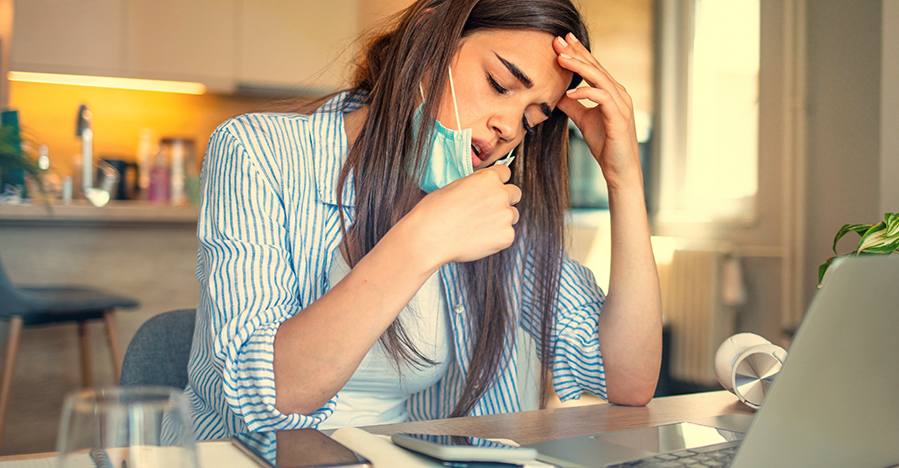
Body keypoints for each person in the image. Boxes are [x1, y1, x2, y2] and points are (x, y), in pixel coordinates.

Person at [185, 0, 662, 439]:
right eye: (499, 84)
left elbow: (627, 378)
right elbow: (262, 399)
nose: (509, 127)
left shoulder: (495, 204)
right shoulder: (256, 151)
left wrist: (624, 179)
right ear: (432, 36)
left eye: (532, 119)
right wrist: (423, 238)